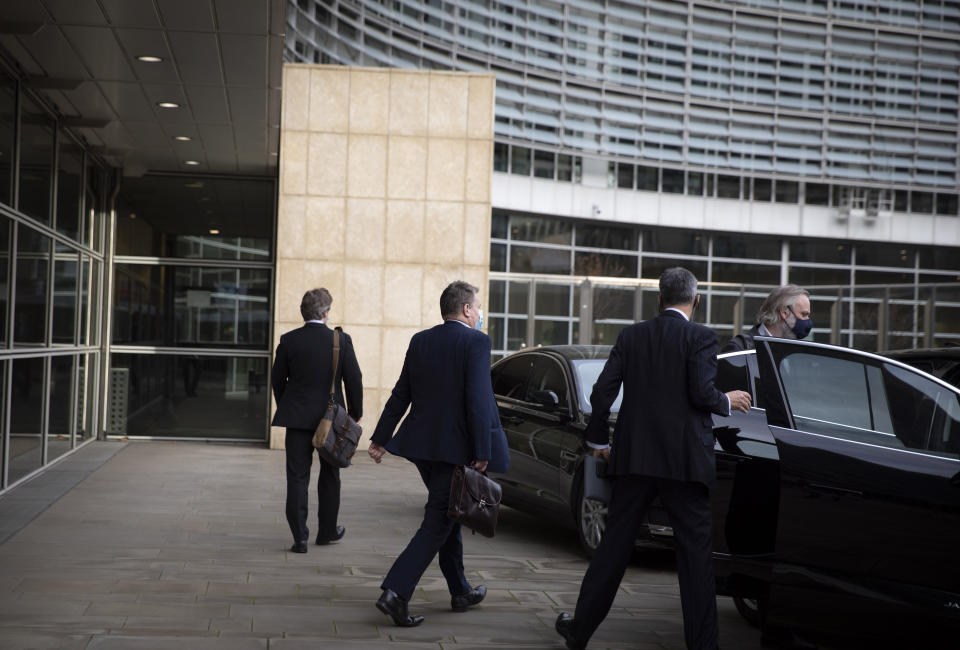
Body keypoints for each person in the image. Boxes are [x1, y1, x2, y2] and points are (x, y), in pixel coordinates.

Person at [555, 267, 752, 650]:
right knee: (695, 560)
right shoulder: (702, 337)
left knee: (613, 549)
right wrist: (726, 401)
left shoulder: (632, 336)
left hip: (635, 461)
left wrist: (597, 438)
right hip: (685, 464)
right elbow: (701, 392)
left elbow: (602, 392)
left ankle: (579, 631)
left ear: (659, 300)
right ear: (696, 300)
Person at [367, 280, 509, 628]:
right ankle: (395, 593)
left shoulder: (421, 340)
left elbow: (402, 393)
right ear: (465, 309)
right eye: (477, 307)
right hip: (455, 451)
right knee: (437, 524)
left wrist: (381, 438)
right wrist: (482, 450)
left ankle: (460, 590)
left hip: (424, 450)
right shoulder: (476, 342)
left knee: (451, 513)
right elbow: (477, 399)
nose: (480, 314)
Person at [271, 288, 363, 553]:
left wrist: (287, 406)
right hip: (331, 420)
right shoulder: (340, 340)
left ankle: (300, 538)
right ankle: (326, 532)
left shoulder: (289, 340)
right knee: (330, 473)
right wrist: (354, 413)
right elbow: (354, 379)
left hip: (297, 419)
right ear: (325, 313)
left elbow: (278, 380)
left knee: (297, 477)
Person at [721, 284, 812, 353]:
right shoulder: (741, 349)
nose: (807, 320)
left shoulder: (796, 352)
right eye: (803, 314)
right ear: (784, 312)